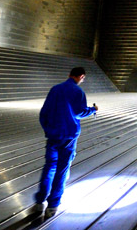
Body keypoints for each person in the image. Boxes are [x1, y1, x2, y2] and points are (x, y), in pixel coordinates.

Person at [34, 67, 98, 219]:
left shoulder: (55, 89)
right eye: (83, 78)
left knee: (49, 167)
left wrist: (48, 130)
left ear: (69, 74)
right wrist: (93, 109)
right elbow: (79, 112)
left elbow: (44, 113)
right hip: (69, 136)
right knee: (62, 169)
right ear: (81, 76)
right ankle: (53, 205)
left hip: (53, 136)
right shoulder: (78, 92)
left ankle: (39, 202)